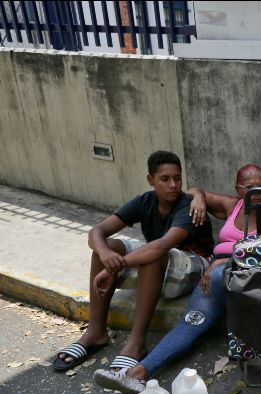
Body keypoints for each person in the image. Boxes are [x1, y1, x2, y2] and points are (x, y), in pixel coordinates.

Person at [92, 164, 261, 394]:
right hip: (214, 278)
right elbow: (194, 190)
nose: (257, 192)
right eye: (250, 187)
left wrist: (221, 263)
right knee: (191, 322)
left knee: (217, 275)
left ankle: (137, 372)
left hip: (242, 275)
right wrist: (199, 200)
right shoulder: (232, 206)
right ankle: (138, 374)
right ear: (238, 189)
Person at [52, 151, 214, 372]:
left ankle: (136, 343)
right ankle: (95, 332)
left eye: (177, 178)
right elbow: (97, 231)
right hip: (164, 264)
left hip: (196, 267)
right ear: (150, 180)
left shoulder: (187, 206)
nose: (173, 185)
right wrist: (105, 253)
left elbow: (161, 246)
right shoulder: (145, 201)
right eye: (165, 179)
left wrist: (114, 268)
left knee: (152, 255)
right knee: (108, 247)